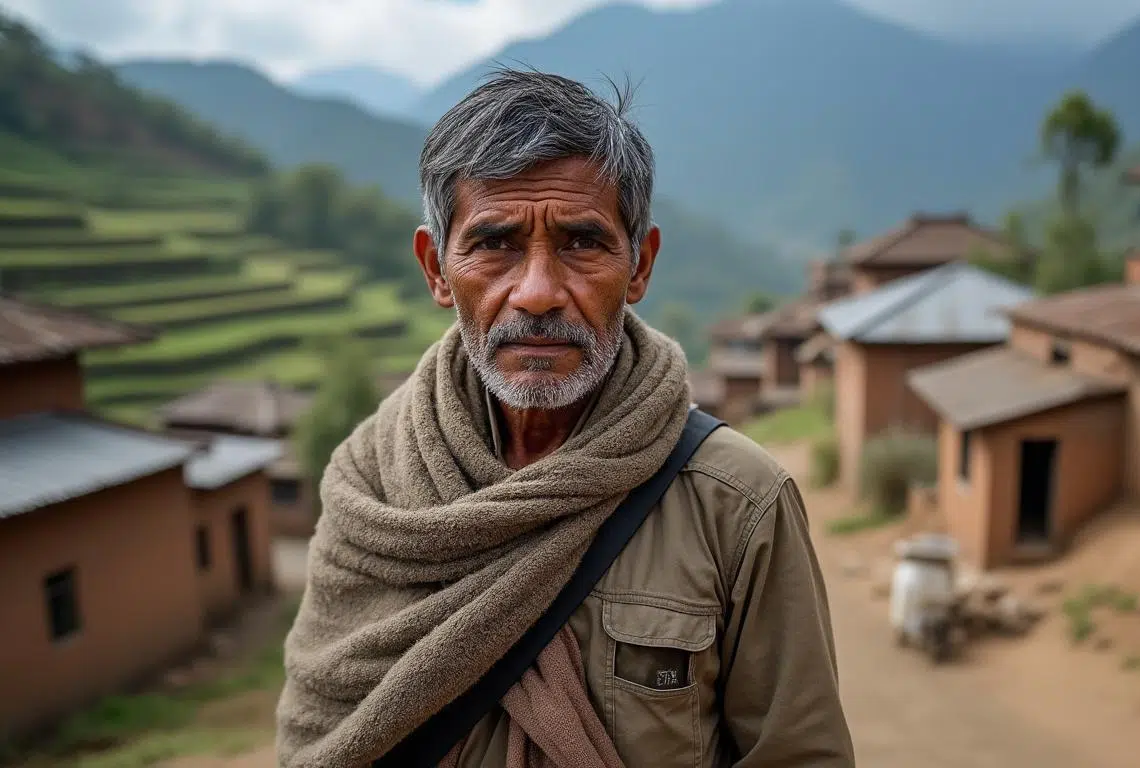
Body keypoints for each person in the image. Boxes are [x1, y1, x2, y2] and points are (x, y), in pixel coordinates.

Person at [277, 69, 854, 768]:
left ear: (639, 265)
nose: (538, 292)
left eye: (582, 243)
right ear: (435, 269)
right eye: (495, 243)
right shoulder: (371, 482)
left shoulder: (736, 504)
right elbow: (317, 727)